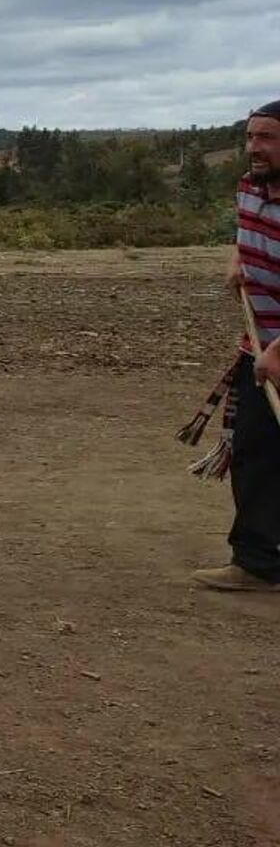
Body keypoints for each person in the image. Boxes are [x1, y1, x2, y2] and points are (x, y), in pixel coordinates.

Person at [195, 99, 280, 593]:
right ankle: (257, 562)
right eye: (251, 137)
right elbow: (244, 231)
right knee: (254, 451)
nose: (255, 148)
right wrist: (239, 259)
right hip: (260, 342)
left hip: (275, 349)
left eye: (267, 137)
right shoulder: (250, 188)